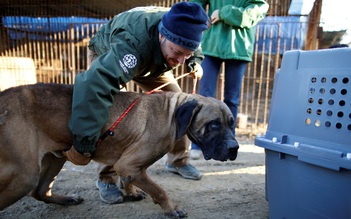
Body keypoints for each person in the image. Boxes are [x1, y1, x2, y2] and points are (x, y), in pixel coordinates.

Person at [63, 2, 210, 204]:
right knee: (114, 114)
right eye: (178, 52)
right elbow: (93, 88)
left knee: (180, 104)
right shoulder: (130, 45)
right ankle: (107, 178)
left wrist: (194, 62)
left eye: (187, 54)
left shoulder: (186, 26)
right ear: (162, 35)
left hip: (154, 60)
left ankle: (178, 161)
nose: (181, 61)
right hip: (111, 53)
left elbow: (192, 46)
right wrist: (82, 144)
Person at [189, 0, 269, 159]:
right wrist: (198, 19)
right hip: (211, 44)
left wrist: (224, 13)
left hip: (239, 46)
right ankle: (197, 143)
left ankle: (229, 145)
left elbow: (255, 12)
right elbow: (195, 4)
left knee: (231, 99)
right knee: (204, 96)